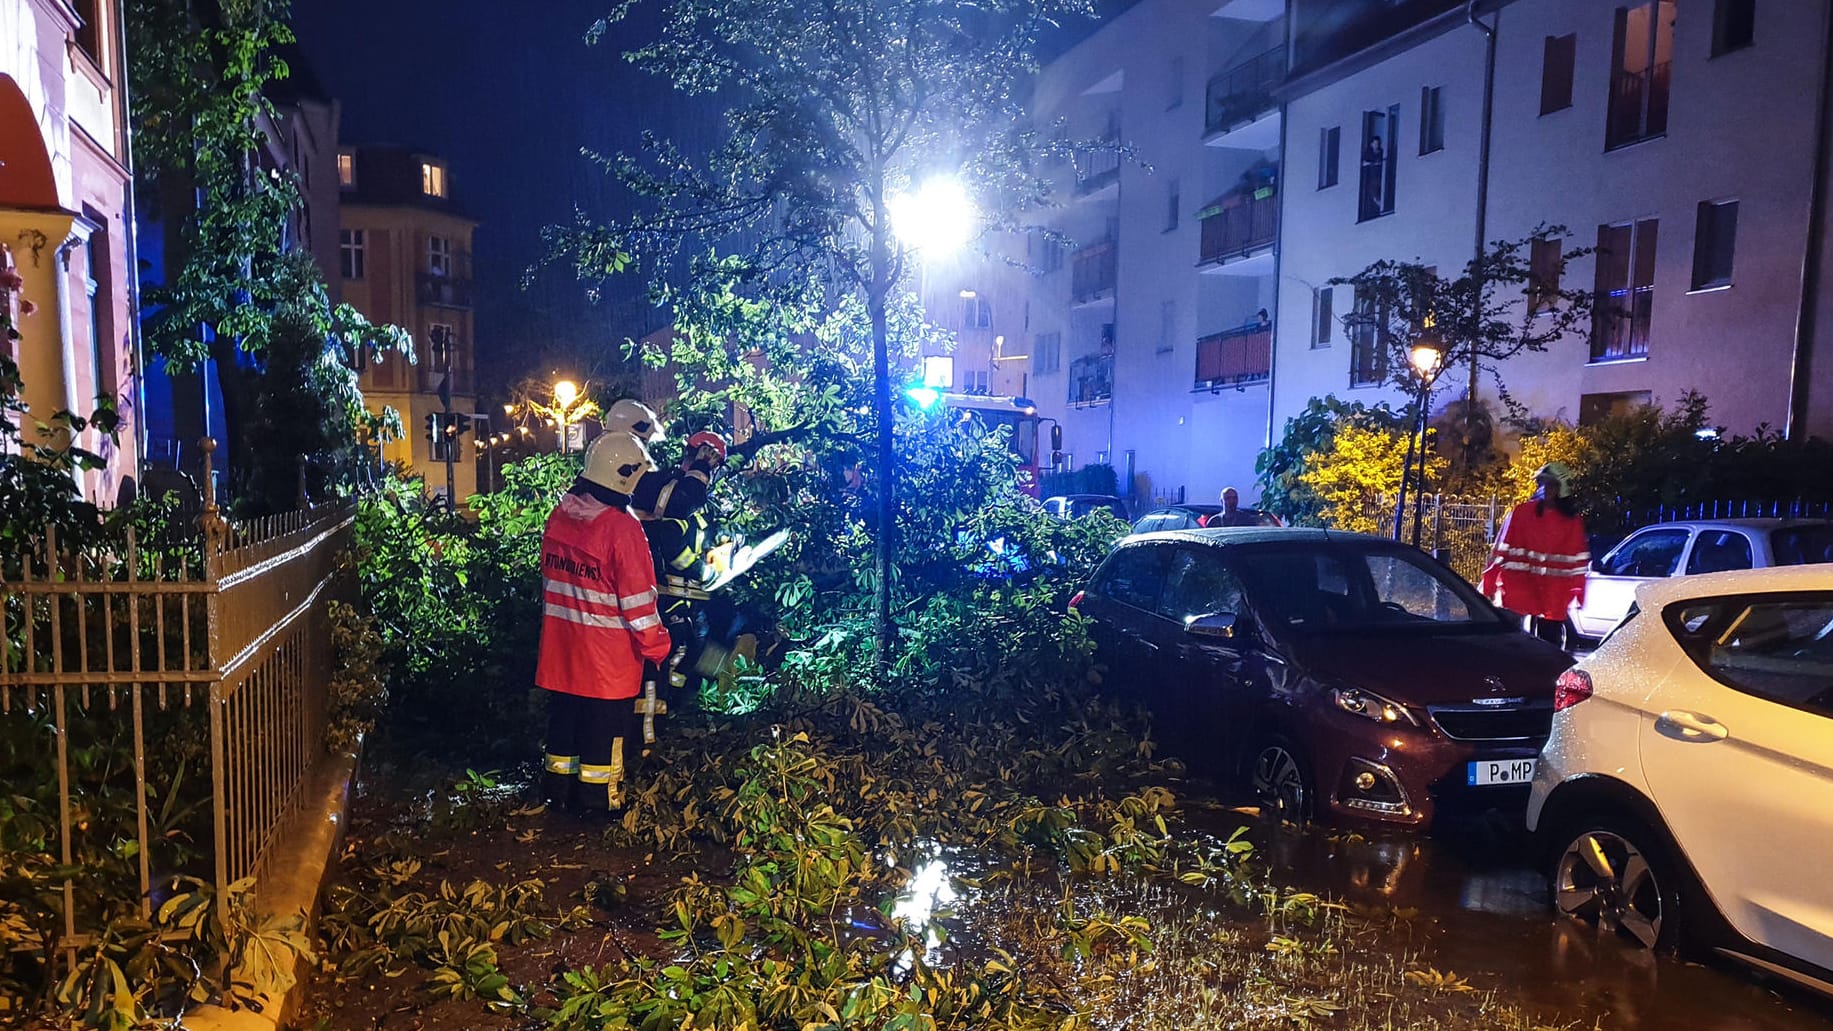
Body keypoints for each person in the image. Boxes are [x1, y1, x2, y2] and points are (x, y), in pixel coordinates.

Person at [536, 431, 674, 812]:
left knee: (565, 732)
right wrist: (659, 647)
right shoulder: (622, 529)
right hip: (606, 666)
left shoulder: (562, 514)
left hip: (562, 655)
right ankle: (599, 806)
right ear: (624, 476)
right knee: (602, 742)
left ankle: (557, 795)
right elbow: (638, 605)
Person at [1480, 462, 1589, 648]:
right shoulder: (1521, 513)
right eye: (1543, 483)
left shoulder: (1572, 522)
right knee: (1510, 644)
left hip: (1552, 593)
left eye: (1551, 484)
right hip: (1518, 588)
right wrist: (1488, 585)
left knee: (1548, 650)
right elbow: (1499, 552)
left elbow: (1579, 562)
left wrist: (1578, 592)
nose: (1545, 489)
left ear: (1562, 489)